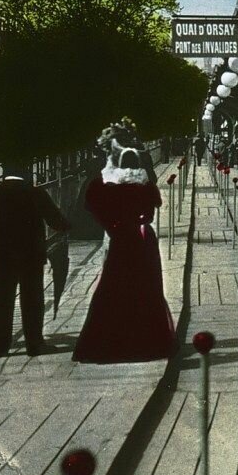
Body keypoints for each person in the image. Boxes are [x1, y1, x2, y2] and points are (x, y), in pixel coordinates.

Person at [74, 146, 176, 363]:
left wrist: (110, 225)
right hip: (140, 240)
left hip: (119, 239)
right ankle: (145, 339)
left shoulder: (108, 184)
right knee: (145, 285)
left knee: (114, 285)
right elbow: (151, 210)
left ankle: (110, 339)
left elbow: (89, 203)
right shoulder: (144, 184)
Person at [0, 163, 71, 356]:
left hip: (3, 257)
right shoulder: (36, 193)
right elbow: (56, 220)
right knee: (33, 298)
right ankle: (34, 344)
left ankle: (0, 346)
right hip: (32, 255)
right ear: (26, 172)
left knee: (4, 300)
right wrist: (67, 225)